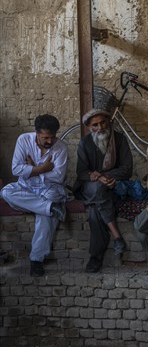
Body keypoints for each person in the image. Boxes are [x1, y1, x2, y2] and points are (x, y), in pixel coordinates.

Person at [1, 115, 68, 277]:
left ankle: (36, 260)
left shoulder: (61, 147)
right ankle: (50, 207)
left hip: (49, 189)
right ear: (37, 133)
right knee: (6, 192)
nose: (50, 141)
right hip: (26, 188)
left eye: (52, 137)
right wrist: (43, 169)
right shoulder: (24, 140)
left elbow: (58, 176)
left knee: (44, 214)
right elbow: (16, 170)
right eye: (45, 137)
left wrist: (32, 169)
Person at [74, 108, 133, 273]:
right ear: (89, 127)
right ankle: (117, 237)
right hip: (89, 187)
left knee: (94, 211)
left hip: (113, 187)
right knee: (98, 188)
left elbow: (127, 169)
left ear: (109, 122)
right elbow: (81, 172)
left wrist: (104, 176)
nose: (100, 127)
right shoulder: (85, 143)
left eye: (103, 122)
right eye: (95, 125)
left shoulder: (120, 139)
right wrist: (97, 178)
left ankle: (95, 257)